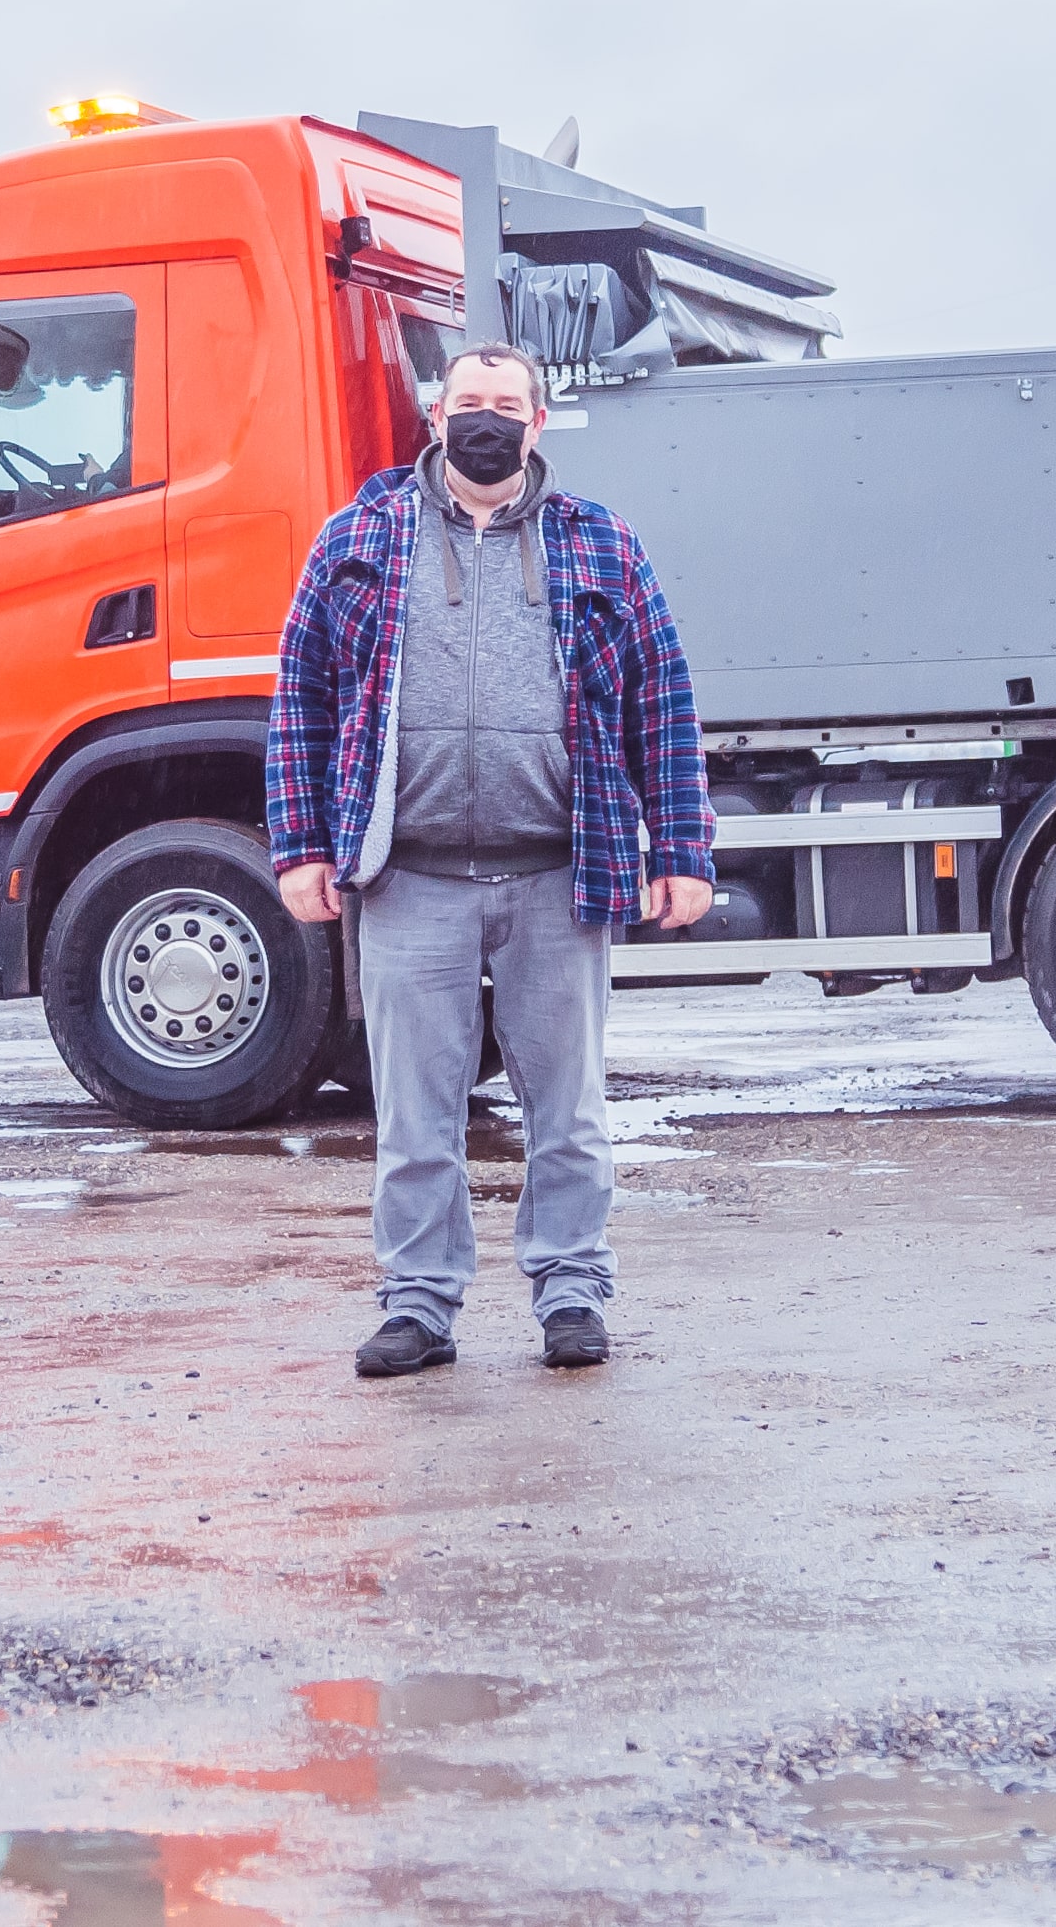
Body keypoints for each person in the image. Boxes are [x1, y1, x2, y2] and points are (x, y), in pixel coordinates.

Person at [267, 344, 715, 1377]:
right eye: (468, 403)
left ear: (537, 423)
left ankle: (570, 1292)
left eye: (504, 407)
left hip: (559, 872)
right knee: (415, 1121)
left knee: (566, 1111)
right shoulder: (358, 540)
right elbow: (301, 697)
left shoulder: (601, 545)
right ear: (434, 415)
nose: (485, 422)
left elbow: (662, 701)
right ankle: (418, 1306)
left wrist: (682, 846)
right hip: (409, 875)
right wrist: (299, 845)